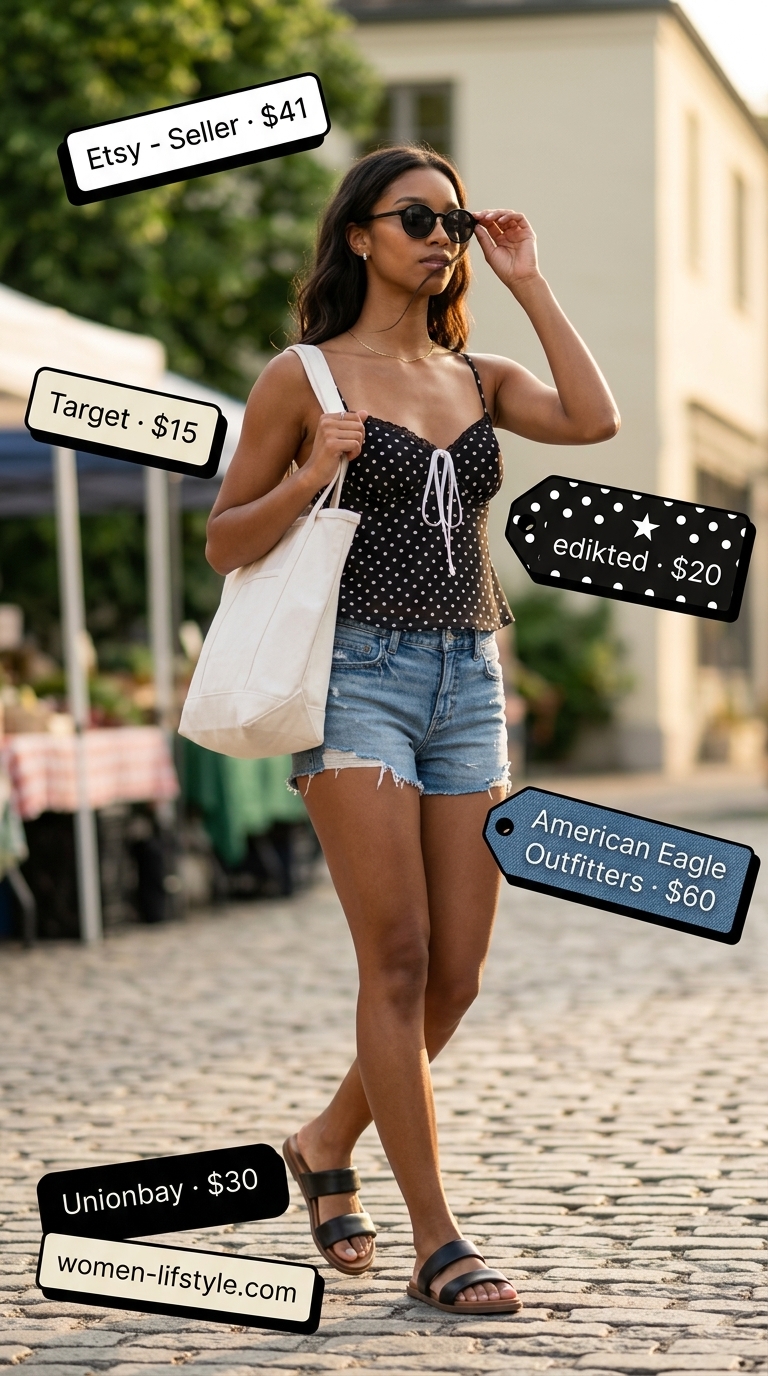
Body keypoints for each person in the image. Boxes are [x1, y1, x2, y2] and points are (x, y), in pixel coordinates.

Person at [206, 145, 619, 1313]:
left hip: (468, 680)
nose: (443, 235)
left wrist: (528, 280)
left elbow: (595, 417)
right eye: (419, 216)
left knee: (460, 972)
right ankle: (440, 1237)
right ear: (360, 235)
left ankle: (325, 1142)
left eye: (455, 219)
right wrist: (306, 480)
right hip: (356, 681)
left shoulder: (478, 376)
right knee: (394, 957)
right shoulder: (304, 376)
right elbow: (226, 540)